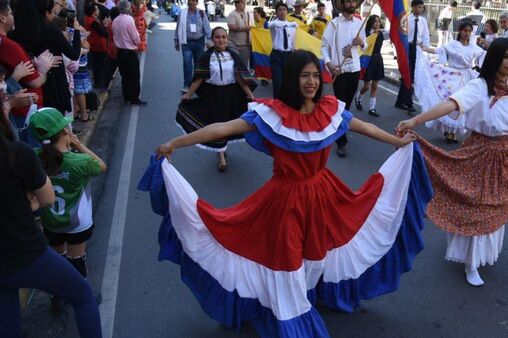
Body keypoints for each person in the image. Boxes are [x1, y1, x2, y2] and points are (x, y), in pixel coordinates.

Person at [149, 49, 430, 337]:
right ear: (292, 79)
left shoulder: (329, 109)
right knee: (288, 259)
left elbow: (365, 127)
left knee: (317, 253)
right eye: (303, 75)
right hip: (286, 200)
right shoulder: (271, 114)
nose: (311, 82)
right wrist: (176, 142)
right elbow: (222, 127)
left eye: (314, 76)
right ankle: (292, 311)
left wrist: (396, 142)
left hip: (323, 194)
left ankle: (309, 293)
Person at [396, 38, 508, 287]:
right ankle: (471, 263)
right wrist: (416, 121)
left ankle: (481, 256)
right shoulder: (479, 86)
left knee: (495, 204)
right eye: (506, 57)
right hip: (478, 152)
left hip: (506, 153)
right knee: (476, 204)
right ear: (495, 59)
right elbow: (450, 104)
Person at [0, 92, 102, 338]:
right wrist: (30, 204)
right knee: (82, 295)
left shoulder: (29, 155)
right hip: (23, 253)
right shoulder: (17, 154)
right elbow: (46, 198)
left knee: (8, 325)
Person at [29, 107, 106, 304]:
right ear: (65, 131)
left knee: (59, 259)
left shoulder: (34, 158)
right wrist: (79, 146)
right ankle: (82, 295)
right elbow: (101, 166)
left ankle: (58, 293)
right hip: (77, 223)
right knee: (77, 259)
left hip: (50, 222)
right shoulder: (79, 161)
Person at [178, 27, 255, 171]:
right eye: (218, 37)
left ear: (227, 39)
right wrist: (188, 94)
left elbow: (239, 76)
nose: (221, 40)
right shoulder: (206, 56)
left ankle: (222, 148)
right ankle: (221, 156)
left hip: (231, 95)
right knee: (217, 124)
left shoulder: (233, 55)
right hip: (213, 95)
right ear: (213, 39)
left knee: (228, 124)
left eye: (224, 37)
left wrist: (249, 93)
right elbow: (199, 78)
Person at [417, 20, 485, 143]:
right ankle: (449, 131)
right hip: (453, 77)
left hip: (466, 78)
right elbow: (440, 50)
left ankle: (454, 132)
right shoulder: (453, 44)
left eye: (469, 31)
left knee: (463, 104)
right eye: (465, 31)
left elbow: (483, 55)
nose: (467, 33)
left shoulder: (473, 47)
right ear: (460, 31)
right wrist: (425, 49)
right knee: (453, 103)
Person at [12, 0, 82, 116]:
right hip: (55, 84)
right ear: (45, 12)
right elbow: (74, 54)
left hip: (33, 87)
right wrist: (77, 31)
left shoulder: (17, 34)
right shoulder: (51, 31)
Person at [0, 0, 53, 144]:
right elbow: (35, 81)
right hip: (24, 113)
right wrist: (43, 67)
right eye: (11, 13)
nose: (13, 17)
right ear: (2, 18)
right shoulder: (9, 46)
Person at [321, 0, 367, 157]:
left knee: (346, 106)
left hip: (354, 69)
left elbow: (365, 45)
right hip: (339, 70)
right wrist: (328, 63)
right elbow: (324, 47)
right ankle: (341, 141)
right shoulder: (334, 24)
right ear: (342, 4)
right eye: (349, 1)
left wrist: (361, 42)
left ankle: (339, 129)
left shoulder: (359, 23)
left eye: (354, 1)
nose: (352, 3)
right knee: (340, 106)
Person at [395, 0, 429, 115]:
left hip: (418, 49)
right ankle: (409, 103)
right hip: (407, 48)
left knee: (411, 75)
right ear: (413, 7)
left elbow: (425, 37)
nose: (421, 9)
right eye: (419, 7)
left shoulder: (423, 21)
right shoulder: (406, 19)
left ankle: (400, 101)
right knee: (408, 74)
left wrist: (426, 51)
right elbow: (400, 34)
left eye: (422, 7)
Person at [113, 0, 147, 105]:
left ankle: (127, 97)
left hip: (120, 52)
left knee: (125, 76)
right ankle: (134, 98)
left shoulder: (115, 20)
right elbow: (135, 37)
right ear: (128, 8)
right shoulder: (129, 20)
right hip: (129, 52)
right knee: (134, 76)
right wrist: (137, 43)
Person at [175, 0, 211, 93]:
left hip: (199, 42)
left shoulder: (202, 13)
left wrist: (209, 39)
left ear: (196, 2)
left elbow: (206, 26)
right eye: (189, 0)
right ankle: (187, 85)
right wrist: (176, 41)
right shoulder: (182, 13)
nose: (191, 2)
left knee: (198, 64)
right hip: (186, 42)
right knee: (187, 64)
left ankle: (197, 84)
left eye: (193, 1)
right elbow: (178, 27)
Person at [265, 2, 297, 98]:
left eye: (284, 10)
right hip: (277, 55)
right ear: (276, 12)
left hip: (288, 55)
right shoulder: (274, 24)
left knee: (288, 82)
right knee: (277, 82)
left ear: (287, 12)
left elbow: (293, 42)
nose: (282, 12)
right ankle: (277, 103)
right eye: (279, 10)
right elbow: (269, 25)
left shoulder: (292, 25)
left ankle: (287, 103)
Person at [354, 14, 384, 117]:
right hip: (368, 60)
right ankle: (358, 97)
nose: (377, 23)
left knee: (375, 85)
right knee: (366, 86)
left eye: (379, 21)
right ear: (371, 22)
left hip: (377, 59)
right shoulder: (366, 33)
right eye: (375, 21)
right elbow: (363, 46)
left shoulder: (380, 33)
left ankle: (372, 108)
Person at [84, 2, 109, 90]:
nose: (98, 11)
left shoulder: (88, 19)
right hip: (98, 46)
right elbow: (101, 32)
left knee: (97, 66)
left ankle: (98, 82)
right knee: (100, 65)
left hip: (94, 45)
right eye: (97, 9)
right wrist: (107, 29)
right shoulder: (93, 21)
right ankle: (99, 83)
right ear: (93, 11)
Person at [227, 0, 253, 69]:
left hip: (246, 45)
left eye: (244, 3)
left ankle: (243, 79)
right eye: (242, 2)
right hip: (234, 44)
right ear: (236, 4)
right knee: (234, 65)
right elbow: (231, 26)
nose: (244, 4)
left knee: (244, 66)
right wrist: (244, 28)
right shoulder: (232, 14)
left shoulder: (248, 14)